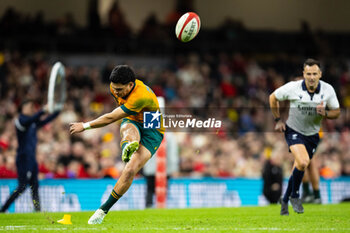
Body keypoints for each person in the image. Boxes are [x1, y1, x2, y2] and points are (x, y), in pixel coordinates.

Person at [69, 65, 164, 224]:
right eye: (114, 88)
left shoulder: (140, 96)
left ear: (130, 85)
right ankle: (129, 144)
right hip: (133, 118)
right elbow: (120, 114)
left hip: (152, 129)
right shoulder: (115, 87)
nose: (116, 92)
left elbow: (110, 118)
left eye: (120, 89)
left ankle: (102, 210)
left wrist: (85, 126)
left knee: (129, 171)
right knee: (128, 127)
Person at [269, 58, 340, 216]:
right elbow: (272, 97)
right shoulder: (293, 88)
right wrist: (278, 120)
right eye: (308, 74)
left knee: (300, 166)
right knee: (303, 162)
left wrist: (326, 113)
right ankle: (297, 195)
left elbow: (337, 112)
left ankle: (286, 199)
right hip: (294, 130)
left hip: (313, 135)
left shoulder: (328, 90)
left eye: (315, 73)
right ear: (304, 74)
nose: (312, 77)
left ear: (320, 74)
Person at [0, 100, 60, 212]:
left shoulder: (32, 122)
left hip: (32, 159)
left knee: (35, 186)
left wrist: (57, 111)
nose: (30, 108)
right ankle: (3, 209)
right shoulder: (20, 120)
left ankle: (37, 211)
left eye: (31, 107)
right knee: (22, 187)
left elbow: (45, 120)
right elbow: (32, 119)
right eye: (28, 106)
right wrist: (42, 110)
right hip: (23, 159)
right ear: (22, 108)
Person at [143, 132, 179, 208]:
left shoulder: (149, 134)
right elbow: (172, 153)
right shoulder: (169, 136)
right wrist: (174, 168)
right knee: (162, 190)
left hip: (150, 168)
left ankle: (148, 208)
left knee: (150, 190)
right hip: (164, 169)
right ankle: (161, 207)